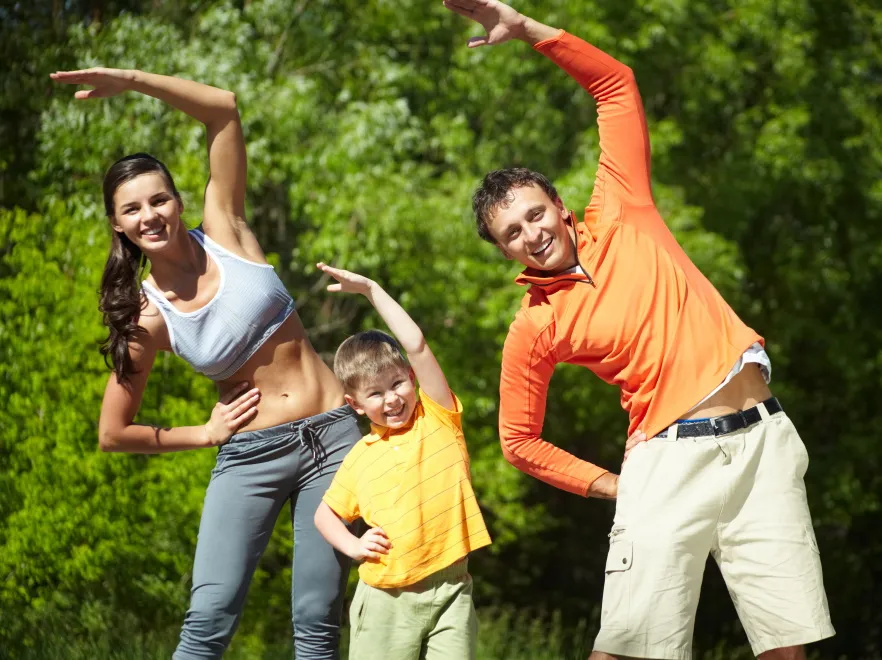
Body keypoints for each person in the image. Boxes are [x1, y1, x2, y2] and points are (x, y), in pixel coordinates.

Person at [442, 1, 835, 658]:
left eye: (536, 215)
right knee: (625, 647)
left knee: (787, 645)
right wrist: (613, 486)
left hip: (763, 443)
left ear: (561, 208)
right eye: (512, 233)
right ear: (504, 251)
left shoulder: (623, 206)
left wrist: (529, 29)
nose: (531, 234)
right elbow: (517, 442)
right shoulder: (535, 327)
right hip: (667, 459)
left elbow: (614, 84)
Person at [50, 67, 361, 659]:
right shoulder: (147, 318)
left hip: (336, 436)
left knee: (318, 618)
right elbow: (114, 432)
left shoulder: (226, 227)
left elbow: (223, 109)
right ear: (118, 224)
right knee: (208, 619)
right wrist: (205, 433)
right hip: (251, 454)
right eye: (133, 209)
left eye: (159, 198)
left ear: (178, 199)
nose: (150, 215)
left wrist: (130, 81)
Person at [311, 262, 491, 660]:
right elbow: (324, 515)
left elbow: (418, 345)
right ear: (355, 405)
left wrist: (372, 290)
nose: (391, 399)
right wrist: (354, 546)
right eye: (375, 394)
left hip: (452, 591)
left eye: (397, 384)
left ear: (412, 378)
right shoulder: (361, 457)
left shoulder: (438, 418)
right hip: (385, 599)